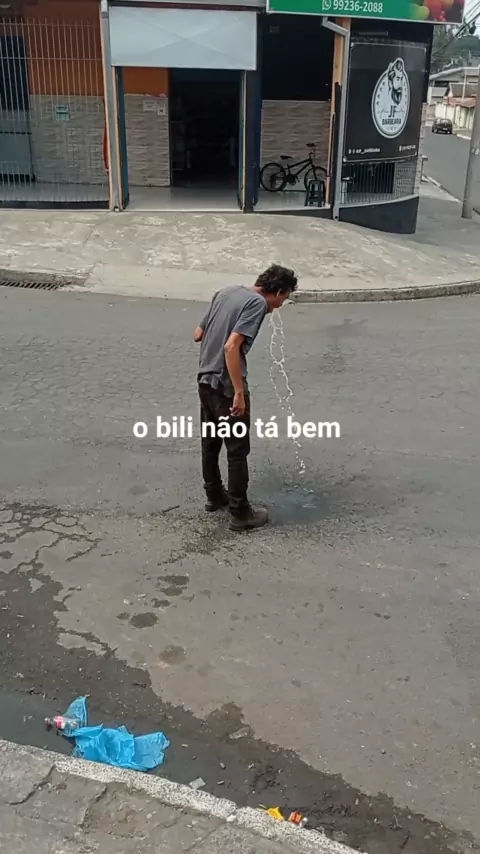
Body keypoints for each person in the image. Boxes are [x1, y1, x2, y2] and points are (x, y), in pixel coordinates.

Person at [193, 264, 298, 531]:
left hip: (205, 381)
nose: (279, 306)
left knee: (210, 443)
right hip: (226, 387)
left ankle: (214, 495)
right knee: (237, 450)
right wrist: (238, 392)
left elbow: (198, 334)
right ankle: (240, 513)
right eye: (283, 299)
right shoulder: (257, 303)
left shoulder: (226, 292)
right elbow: (231, 346)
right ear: (278, 291)